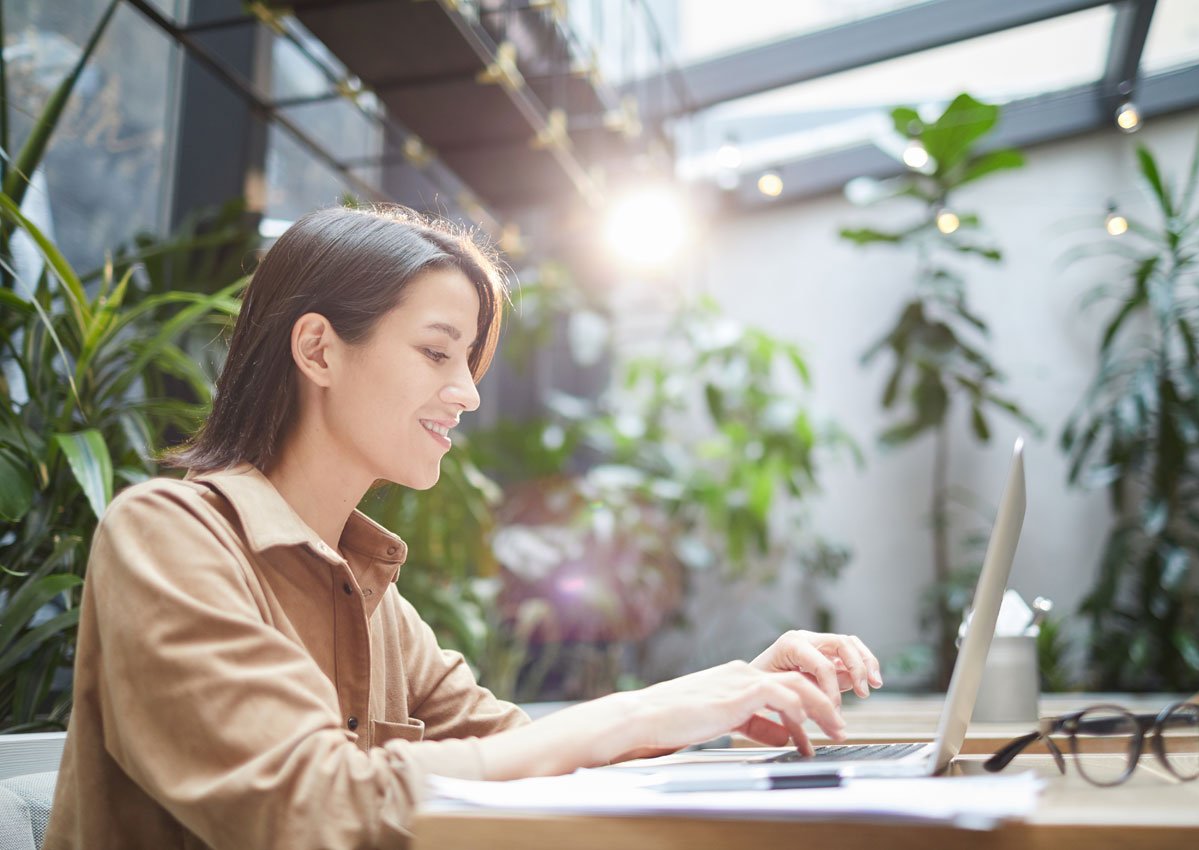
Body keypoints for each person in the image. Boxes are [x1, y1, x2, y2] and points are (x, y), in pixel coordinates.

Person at [44, 205, 883, 850]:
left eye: (469, 361)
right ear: (319, 350)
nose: (468, 394)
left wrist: (723, 698)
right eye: (437, 353)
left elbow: (534, 754)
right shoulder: (168, 534)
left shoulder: (368, 592)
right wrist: (645, 714)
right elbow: (309, 807)